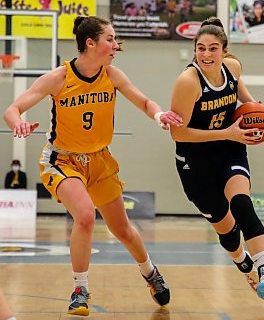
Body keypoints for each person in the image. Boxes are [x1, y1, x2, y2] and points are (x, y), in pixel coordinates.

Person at [3, 16, 183, 316]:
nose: (116, 45)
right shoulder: (58, 78)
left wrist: (159, 115)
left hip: (100, 160)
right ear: (91, 42)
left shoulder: (112, 75)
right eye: (110, 39)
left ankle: (150, 272)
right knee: (85, 216)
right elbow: (12, 109)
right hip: (62, 160)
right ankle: (80, 288)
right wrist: (19, 124)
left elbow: (145, 101)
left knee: (123, 229)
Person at [167, 17, 264, 310]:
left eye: (213, 48)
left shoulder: (233, 69)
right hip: (195, 161)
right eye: (201, 48)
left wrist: (261, 113)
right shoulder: (188, 82)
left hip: (230, 149)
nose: (206, 54)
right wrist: (227, 132)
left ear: (224, 51)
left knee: (242, 203)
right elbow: (178, 132)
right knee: (227, 230)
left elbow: (244, 99)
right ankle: (245, 265)